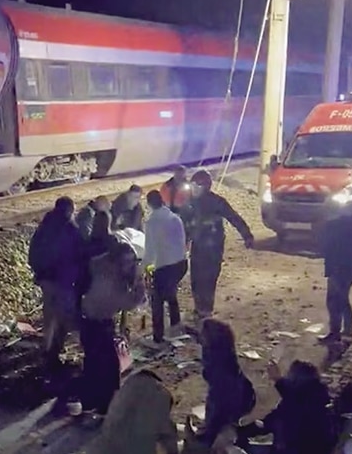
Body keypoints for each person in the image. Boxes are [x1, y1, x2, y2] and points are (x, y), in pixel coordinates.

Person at [78, 211, 147, 415]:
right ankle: (107, 405)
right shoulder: (115, 281)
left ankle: (88, 401)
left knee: (91, 361)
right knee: (109, 365)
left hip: (86, 318)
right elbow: (128, 303)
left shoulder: (98, 263)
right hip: (100, 322)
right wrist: (139, 287)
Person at [183, 170, 255, 320]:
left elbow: (234, 217)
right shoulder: (190, 203)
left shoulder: (217, 202)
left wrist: (247, 235)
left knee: (209, 279)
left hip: (213, 249)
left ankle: (206, 310)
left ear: (205, 187)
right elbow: (186, 223)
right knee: (196, 278)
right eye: (192, 186)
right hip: (198, 247)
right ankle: (199, 308)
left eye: (196, 186)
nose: (193, 189)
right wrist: (184, 241)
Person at [28, 197, 86, 367]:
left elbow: (34, 249)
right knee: (63, 315)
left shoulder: (45, 225)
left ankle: (46, 345)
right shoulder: (72, 229)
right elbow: (79, 255)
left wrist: (37, 271)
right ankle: (56, 349)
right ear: (70, 210)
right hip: (64, 280)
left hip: (46, 277)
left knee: (48, 313)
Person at [196, 319, 256, 447]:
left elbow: (220, 405)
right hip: (237, 403)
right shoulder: (226, 356)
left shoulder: (219, 369)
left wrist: (209, 431)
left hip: (226, 410)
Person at [319, 212, 352, 343]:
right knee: (341, 300)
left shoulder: (336, 226)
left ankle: (339, 332)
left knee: (336, 301)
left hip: (338, 269)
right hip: (347, 269)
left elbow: (325, 246)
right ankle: (345, 330)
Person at [142, 190, 188, 344]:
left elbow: (150, 252)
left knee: (157, 301)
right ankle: (175, 326)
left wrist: (141, 268)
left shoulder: (151, 223)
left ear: (149, 204)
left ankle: (158, 337)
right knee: (171, 293)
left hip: (166, 267)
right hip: (181, 264)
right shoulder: (175, 218)